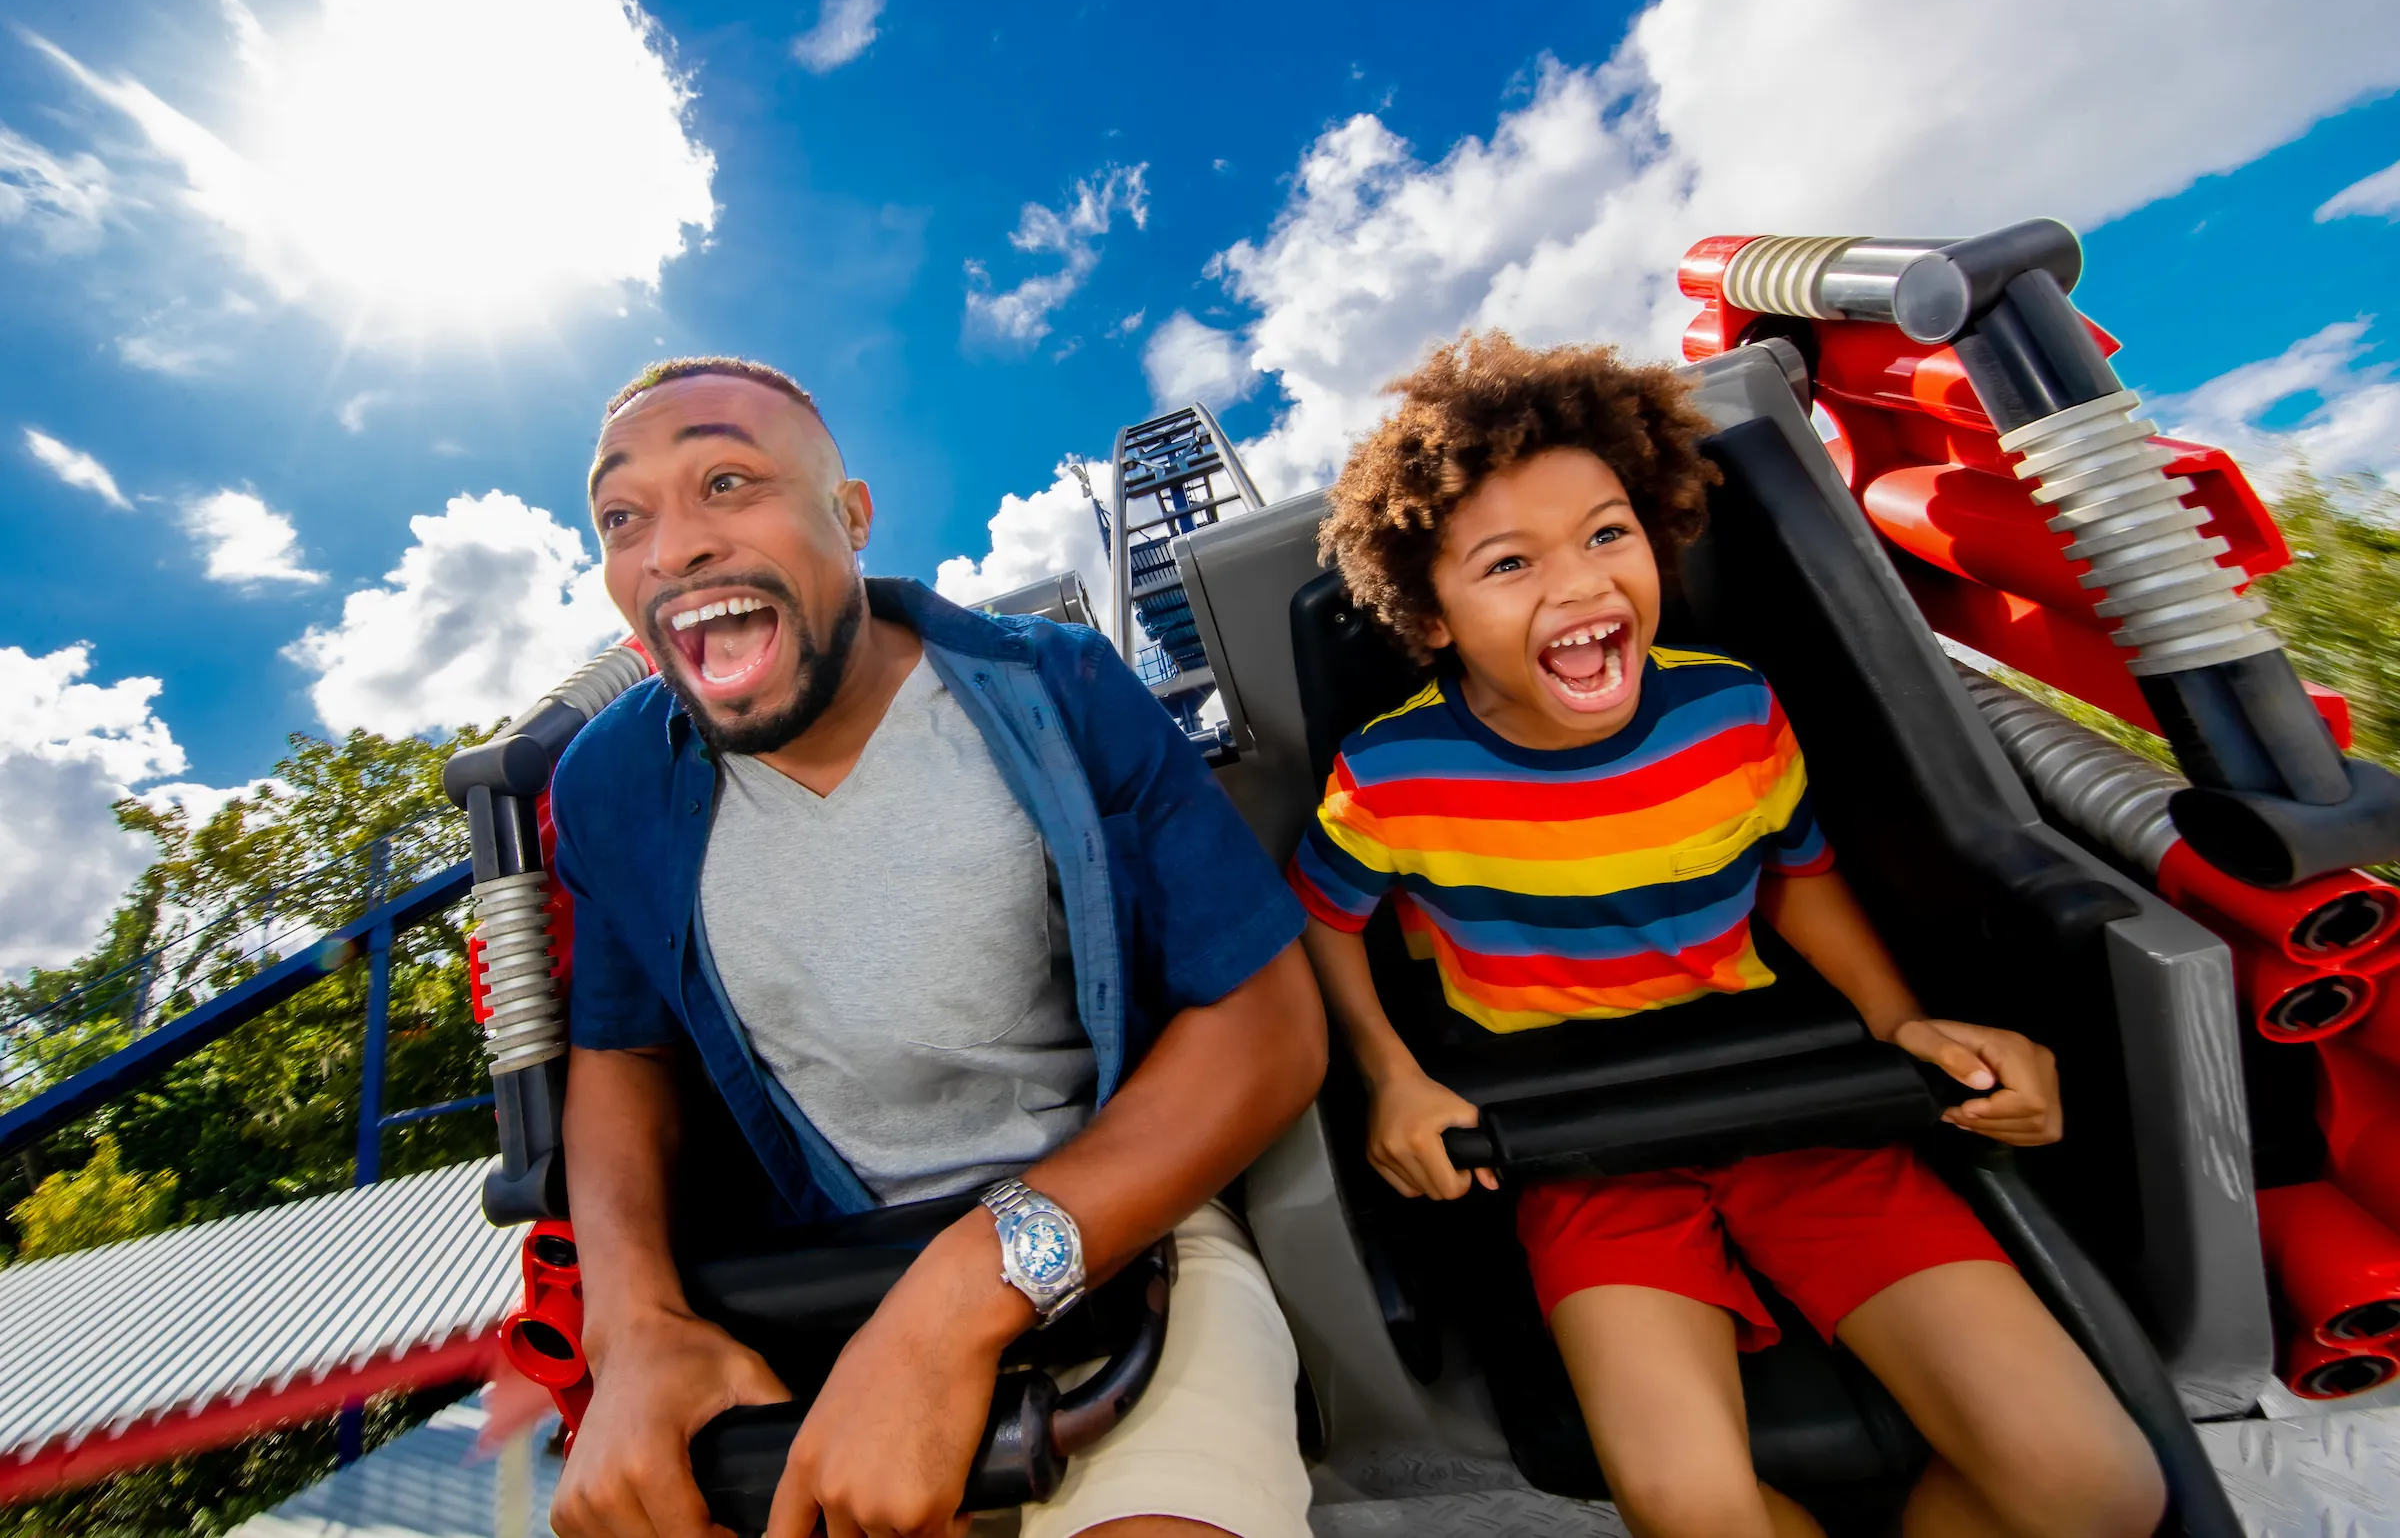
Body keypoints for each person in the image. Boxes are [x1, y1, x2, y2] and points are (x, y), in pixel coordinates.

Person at [1286, 333, 2167, 1538]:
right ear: (1430, 618)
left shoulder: (1732, 709)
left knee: (2095, 1485)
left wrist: (1899, 1022)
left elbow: (1799, 877)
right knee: (1691, 1510)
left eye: (1608, 534)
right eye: (1508, 563)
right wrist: (1396, 1076)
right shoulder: (1390, 776)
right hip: (1577, 1141)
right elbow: (1324, 919)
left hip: (1789, 1098)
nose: (1585, 584)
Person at [547, 356, 1326, 1538]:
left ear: (850, 518)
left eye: (726, 481)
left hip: (1125, 1235)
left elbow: (1267, 1023)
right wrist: (634, 1324)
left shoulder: (1055, 689)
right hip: (813, 1279)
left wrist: (965, 1292)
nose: (673, 548)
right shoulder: (609, 785)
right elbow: (624, 1056)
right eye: (622, 516)